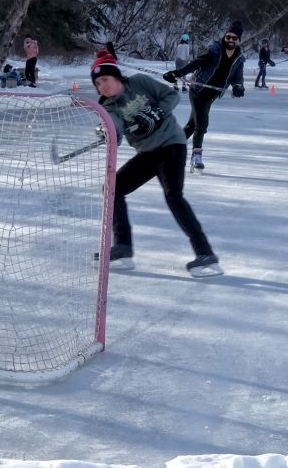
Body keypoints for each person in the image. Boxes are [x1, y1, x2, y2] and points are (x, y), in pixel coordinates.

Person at [91, 48, 221, 276]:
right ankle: (123, 247)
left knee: (173, 196)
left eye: (106, 79)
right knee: (113, 188)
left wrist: (156, 113)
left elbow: (172, 96)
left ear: (117, 76)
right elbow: (115, 127)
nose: (103, 86)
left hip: (172, 144)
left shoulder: (139, 83)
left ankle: (204, 253)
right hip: (148, 153)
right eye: (98, 83)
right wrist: (107, 131)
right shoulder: (109, 106)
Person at [162, 20, 246, 172]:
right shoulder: (214, 50)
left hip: (212, 94)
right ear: (224, 37)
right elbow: (196, 63)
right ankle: (196, 156)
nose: (230, 40)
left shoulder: (239, 58)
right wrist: (178, 73)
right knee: (202, 123)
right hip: (198, 90)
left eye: (234, 38)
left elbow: (237, 76)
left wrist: (238, 87)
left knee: (192, 125)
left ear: (239, 40)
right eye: (228, 37)